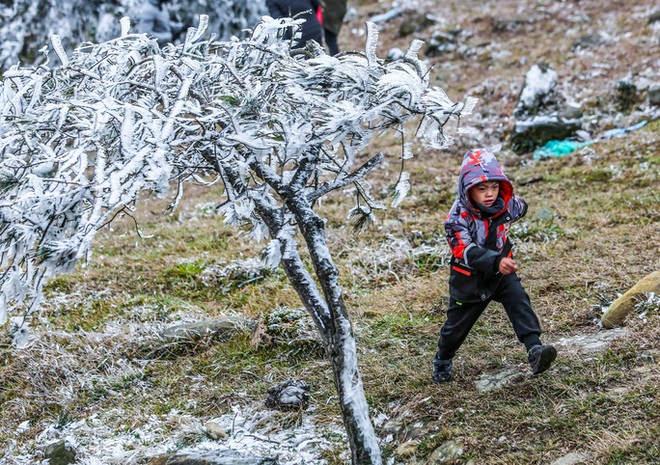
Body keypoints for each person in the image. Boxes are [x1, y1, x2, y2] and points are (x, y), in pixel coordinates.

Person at [432, 148, 557, 383]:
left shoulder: (506, 204)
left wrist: (516, 212)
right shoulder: (457, 218)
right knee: (456, 327)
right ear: (468, 188)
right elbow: (463, 250)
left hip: (501, 275)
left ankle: (535, 350)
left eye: (495, 187)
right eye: (482, 189)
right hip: (469, 279)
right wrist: (495, 261)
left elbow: (520, 206)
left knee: (519, 300)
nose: (490, 194)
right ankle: (442, 358)